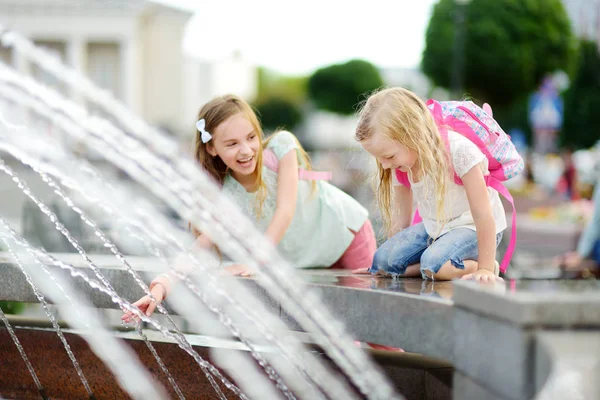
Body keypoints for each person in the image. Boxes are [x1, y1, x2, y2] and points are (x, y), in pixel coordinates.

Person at [123, 94, 375, 321]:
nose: (246, 150)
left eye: (251, 138)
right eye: (231, 144)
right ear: (212, 148)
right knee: (336, 333)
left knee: (372, 324)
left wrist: (255, 261)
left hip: (346, 233)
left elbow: (285, 211)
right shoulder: (225, 197)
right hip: (313, 258)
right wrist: (160, 288)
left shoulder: (281, 147)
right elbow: (197, 250)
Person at [353, 87, 507, 282]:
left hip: (472, 228)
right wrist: (387, 263)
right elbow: (401, 220)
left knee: (434, 263)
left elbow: (483, 215)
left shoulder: (459, 151)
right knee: (382, 261)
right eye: (379, 158)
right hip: (436, 228)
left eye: (389, 156)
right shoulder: (398, 163)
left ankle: (478, 265)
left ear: (412, 135)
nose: (384, 164)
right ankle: (428, 268)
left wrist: (484, 268)